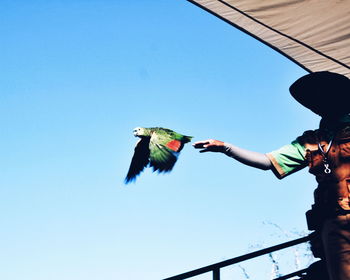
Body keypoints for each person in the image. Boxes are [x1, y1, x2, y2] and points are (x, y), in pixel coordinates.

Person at [193, 71, 350, 280]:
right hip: (335, 224)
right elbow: (268, 161)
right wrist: (226, 148)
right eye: (314, 100)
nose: (317, 104)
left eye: (324, 96)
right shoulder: (314, 140)